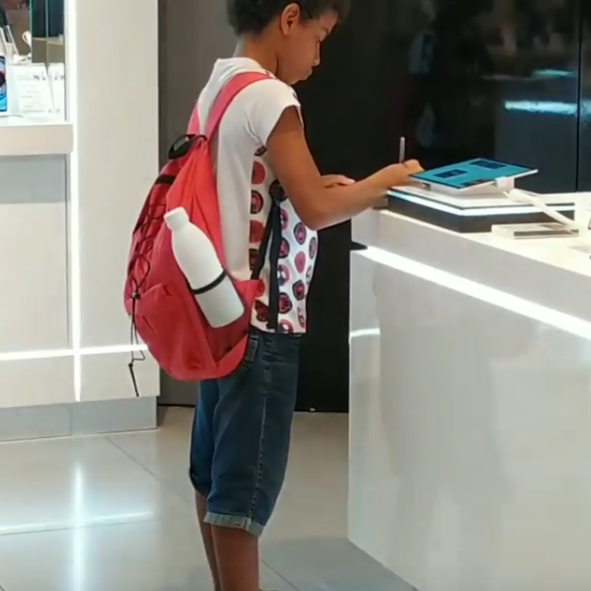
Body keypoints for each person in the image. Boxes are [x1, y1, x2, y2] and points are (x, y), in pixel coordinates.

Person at [188, 2, 423, 590]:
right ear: (289, 19)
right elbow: (316, 212)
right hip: (265, 323)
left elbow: (249, 186)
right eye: (319, 38)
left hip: (218, 307)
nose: (318, 58)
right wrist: (380, 184)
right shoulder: (273, 99)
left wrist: (315, 186)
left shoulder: (222, 82)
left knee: (213, 472)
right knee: (244, 494)